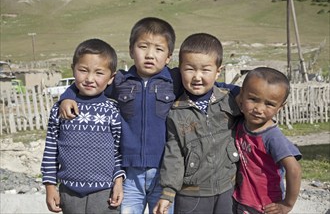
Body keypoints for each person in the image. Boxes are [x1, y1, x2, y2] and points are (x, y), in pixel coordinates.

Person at [58, 17, 239, 214]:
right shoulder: (120, 81)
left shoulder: (175, 79)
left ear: (169, 56)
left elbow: (213, 85)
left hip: (164, 171)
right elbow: (91, 86)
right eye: (143, 47)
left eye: (158, 50)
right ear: (131, 50)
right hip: (130, 173)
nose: (150, 55)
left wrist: (251, 98)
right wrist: (67, 97)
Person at [153, 33, 241, 214]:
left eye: (205, 70)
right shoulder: (176, 112)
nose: (197, 77)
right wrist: (168, 192)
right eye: (190, 69)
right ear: (180, 70)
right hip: (191, 194)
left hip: (228, 188)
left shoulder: (230, 101)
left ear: (218, 71)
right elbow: (174, 154)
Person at [40, 38, 125, 214]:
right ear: (73, 70)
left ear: (111, 78)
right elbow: (50, 151)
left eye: (99, 73)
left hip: (105, 193)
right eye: (83, 70)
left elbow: (118, 152)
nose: (89, 79)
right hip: (69, 193)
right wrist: (50, 186)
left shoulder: (113, 111)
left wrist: (118, 183)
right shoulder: (61, 108)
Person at [233, 67, 302, 214]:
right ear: (241, 96)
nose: (259, 108)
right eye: (253, 99)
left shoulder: (272, 137)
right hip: (242, 199)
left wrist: (287, 204)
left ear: (280, 107)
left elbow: (294, 169)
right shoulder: (241, 124)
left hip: (266, 205)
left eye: (269, 104)